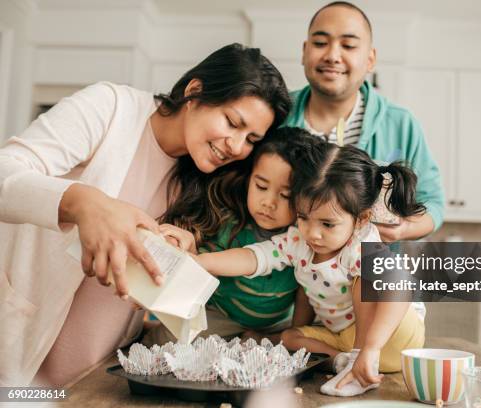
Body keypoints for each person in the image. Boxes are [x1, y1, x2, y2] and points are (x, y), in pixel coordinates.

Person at [0, 43, 291, 386]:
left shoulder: (206, 182)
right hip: (17, 359)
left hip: (96, 378)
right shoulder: (110, 107)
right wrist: (85, 203)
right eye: (232, 122)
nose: (237, 146)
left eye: (251, 139)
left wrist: (177, 260)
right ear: (194, 91)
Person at [195, 142, 427, 397]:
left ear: (360, 219)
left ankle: (360, 362)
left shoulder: (362, 242)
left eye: (328, 224)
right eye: (304, 217)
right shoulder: (297, 241)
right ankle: (342, 363)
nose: (313, 233)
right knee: (290, 338)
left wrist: (369, 349)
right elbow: (255, 257)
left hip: (391, 334)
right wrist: (201, 262)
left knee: (366, 278)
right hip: (342, 339)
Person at [148, 127, 325, 345]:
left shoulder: (308, 238)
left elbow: (305, 291)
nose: (268, 202)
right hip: (222, 315)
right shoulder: (230, 223)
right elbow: (201, 271)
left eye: (286, 195)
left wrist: (296, 333)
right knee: (167, 341)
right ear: (249, 178)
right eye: (261, 186)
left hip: (279, 324)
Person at [284, 1, 444, 241]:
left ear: (370, 59)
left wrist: (404, 229)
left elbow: (433, 203)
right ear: (305, 51)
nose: (332, 55)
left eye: (348, 45)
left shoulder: (401, 123)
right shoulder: (277, 111)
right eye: (319, 43)